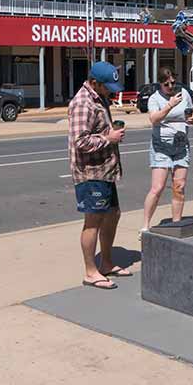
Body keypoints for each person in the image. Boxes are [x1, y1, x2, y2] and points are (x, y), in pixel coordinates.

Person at [68, 60, 130, 290]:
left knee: (113, 214)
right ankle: (90, 272)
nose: (110, 93)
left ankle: (106, 262)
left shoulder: (99, 98)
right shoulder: (83, 103)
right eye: (107, 88)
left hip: (106, 170)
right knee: (93, 221)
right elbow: (80, 141)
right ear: (94, 83)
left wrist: (110, 132)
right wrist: (108, 139)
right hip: (90, 172)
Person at [141, 67, 193, 236]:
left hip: (181, 146)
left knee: (179, 187)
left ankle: (176, 224)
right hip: (161, 147)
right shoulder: (155, 98)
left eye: (173, 82)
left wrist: (191, 120)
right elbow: (154, 118)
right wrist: (169, 105)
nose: (171, 86)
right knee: (157, 188)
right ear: (160, 83)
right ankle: (145, 225)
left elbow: (189, 114)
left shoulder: (184, 94)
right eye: (167, 84)